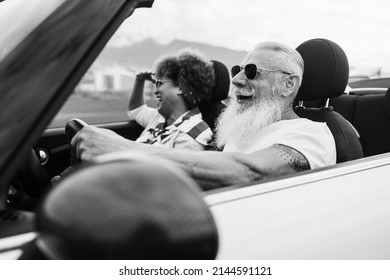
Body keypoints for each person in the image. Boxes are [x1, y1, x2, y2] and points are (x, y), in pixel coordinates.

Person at [71, 41, 336, 190]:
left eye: (253, 71)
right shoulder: (244, 129)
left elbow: (250, 172)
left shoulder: (310, 134)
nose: (237, 79)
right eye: (237, 69)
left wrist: (124, 151)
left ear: (288, 84)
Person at [127, 49, 215, 151]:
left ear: (181, 88)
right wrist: (140, 80)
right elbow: (136, 110)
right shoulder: (160, 118)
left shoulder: (190, 134)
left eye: (160, 83)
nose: (155, 91)